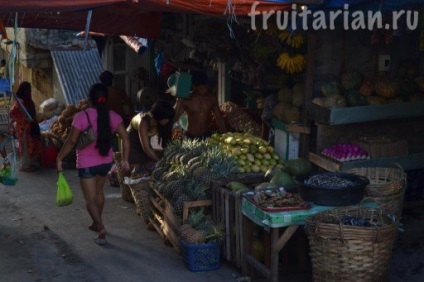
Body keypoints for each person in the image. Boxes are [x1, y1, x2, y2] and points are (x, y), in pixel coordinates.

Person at [56, 83, 130, 245]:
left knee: (90, 200)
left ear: (90, 99)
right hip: (105, 162)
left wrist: (60, 157)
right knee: (99, 193)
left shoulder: (82, 116)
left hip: (86, 164)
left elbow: (71, 141)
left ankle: (101, 227)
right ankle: (97, 222)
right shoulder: (113, 116)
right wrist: (124, 159)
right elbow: (125, 137)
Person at [173, 71, 227, 139]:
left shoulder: (212, 99)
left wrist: (225, 135)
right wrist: (179, 101)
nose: (204, 90)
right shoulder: (187, 100)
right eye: (201, 88)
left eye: (206, 87)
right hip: (190, 136)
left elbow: (219, 118)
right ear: (194, 87)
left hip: (206, 135)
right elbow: (175, 118)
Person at [127, 100, 174, 172]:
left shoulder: (160, 122)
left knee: (150, 164)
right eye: (165, 118)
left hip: (145, 141)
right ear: (159, 116)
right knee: (135, 169)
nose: (167, 121)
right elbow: (146, 148)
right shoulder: (144, 122)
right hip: (132, 141)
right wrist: (160, 161)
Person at [9, 81, 42, 172]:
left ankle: (32, 163)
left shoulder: (28, 101)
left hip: (32, 126)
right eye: (28, 90)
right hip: (24, 128)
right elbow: (12, 114)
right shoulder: (19, 102)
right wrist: (24, 119)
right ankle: (25, 165)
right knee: (26, 146)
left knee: (34, 144)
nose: (30, 92)